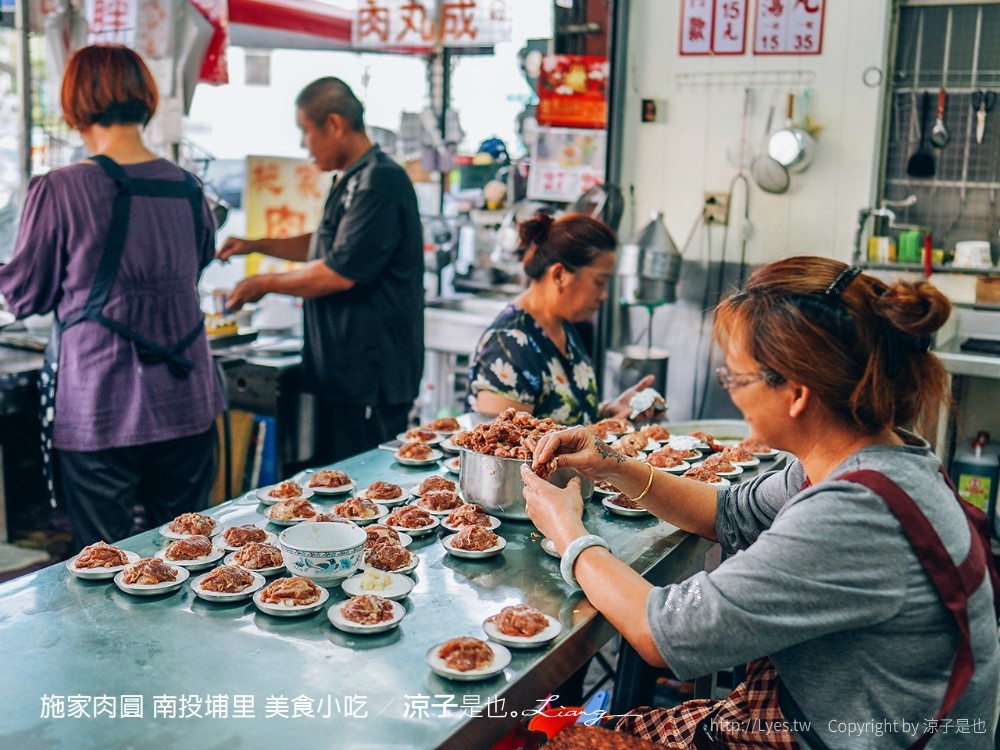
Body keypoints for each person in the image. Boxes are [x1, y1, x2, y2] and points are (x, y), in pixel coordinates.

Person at [521, 257, 1000, 748]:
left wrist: (567, 531)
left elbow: (660, 630)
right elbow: (729, 511)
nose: (730, 394)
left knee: (555, 740)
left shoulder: (852, 515)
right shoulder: (863, 456)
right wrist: (612, 463)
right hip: (817, 713)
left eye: (736, 379)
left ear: (795, 391)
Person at [0, 45, 224, 551]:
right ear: (144, 97)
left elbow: (25, 294)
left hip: (100, 400)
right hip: (187, 397)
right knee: (188, 554)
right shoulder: (190, 189)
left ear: (76, 100)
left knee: (108, 563)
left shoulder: (60, 189)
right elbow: (198, 263)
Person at [219, 77, 424, 462]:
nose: (304, 145)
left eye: (306, 131)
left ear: (334, 124)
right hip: (341, 372)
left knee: (365, 491)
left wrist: (264, 283)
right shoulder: (352, 179)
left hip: (370, 378)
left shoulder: (379, 181)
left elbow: (338, 272)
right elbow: (325, 245)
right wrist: (255, 244)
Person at [469, 212, 654, 424]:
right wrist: (597, 433)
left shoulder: (562, 327)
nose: (604, 295)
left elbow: (564, 416)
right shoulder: (508, 346)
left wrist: (607, 413)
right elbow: (503, 449)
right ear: (559, 275)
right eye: (598, 282)